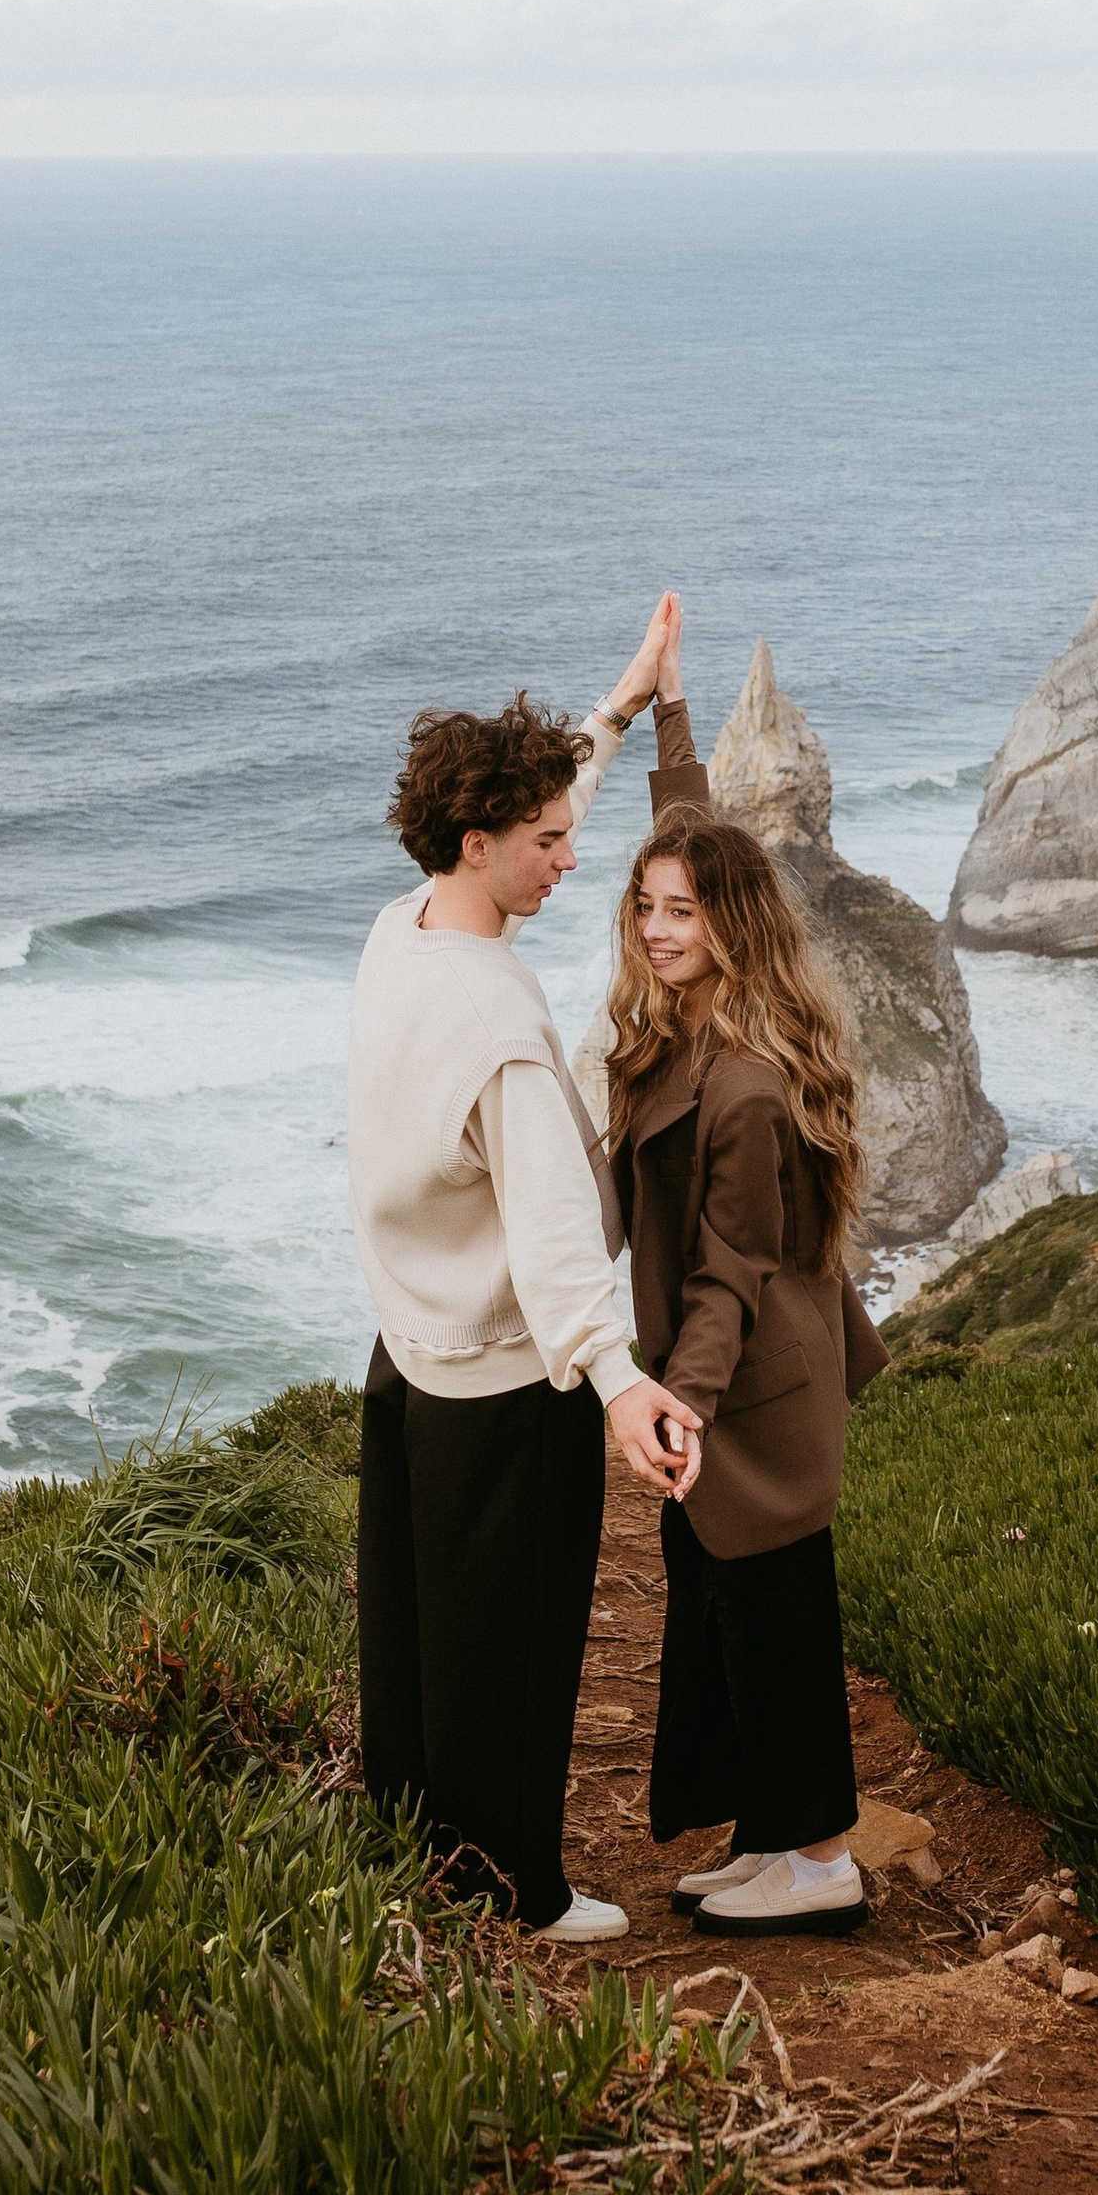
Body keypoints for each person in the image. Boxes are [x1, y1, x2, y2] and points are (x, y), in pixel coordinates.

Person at [347, 600, 704, 1948]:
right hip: (507, 1383)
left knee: (417, 1636)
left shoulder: (406, 929)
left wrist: (614, 712)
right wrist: (617, 1381)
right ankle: (518, 1894)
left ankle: (413, 1848)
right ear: (480, 843)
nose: (572, 859)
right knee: (516, 1643)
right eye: (549, 842)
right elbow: (557, 1228)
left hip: (409, 1353)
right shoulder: (496, 1019)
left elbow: (531, 812)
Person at [602, 630, 890, 1940]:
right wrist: (669, 714)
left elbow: (728, 1272)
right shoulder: (700, 1023)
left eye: (684, 912)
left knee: (776, 1622)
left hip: (756, 1390)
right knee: (728, 1612)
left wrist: (684, 1407)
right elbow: (692, 831)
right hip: (743, 1369)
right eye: (647, 907)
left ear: (732, 928)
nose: (658, 930)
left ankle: (821, 1862)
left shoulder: (747, 1085)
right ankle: (774, 1838)